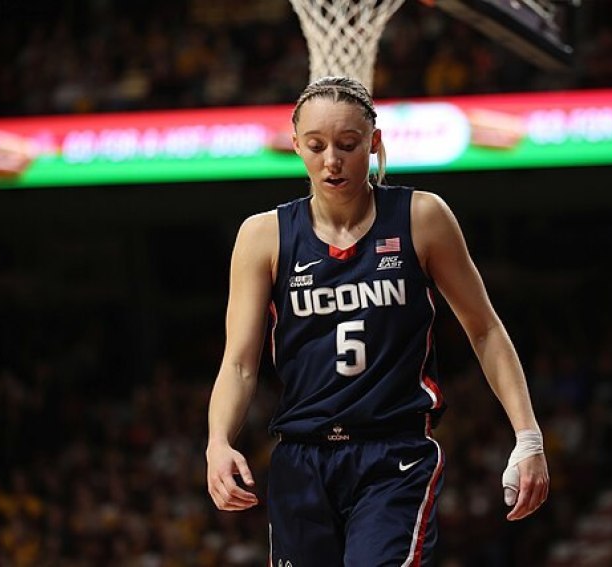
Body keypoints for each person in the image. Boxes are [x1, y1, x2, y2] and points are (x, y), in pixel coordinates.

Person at [206, 75, 549, 566]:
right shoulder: (263, 236)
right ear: (296, 145)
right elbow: (240, 364)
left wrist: (528, 437)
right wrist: (218, 442)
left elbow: (485, 329)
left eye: (347, 145)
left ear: (374, 143)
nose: (332, 161)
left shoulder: (421, 216)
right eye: (316, 145)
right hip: (301, 459)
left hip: (393, 456)